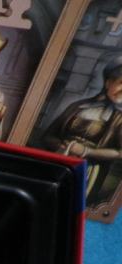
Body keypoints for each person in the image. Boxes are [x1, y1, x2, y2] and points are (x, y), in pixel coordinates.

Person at [41, 56, 122, 205]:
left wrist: (85, 151)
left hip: (88, 172)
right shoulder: (78, 106)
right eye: (121, 83)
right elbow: (48, 136)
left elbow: (120, 152)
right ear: (108, 83)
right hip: (58, 162)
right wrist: (62, 147)